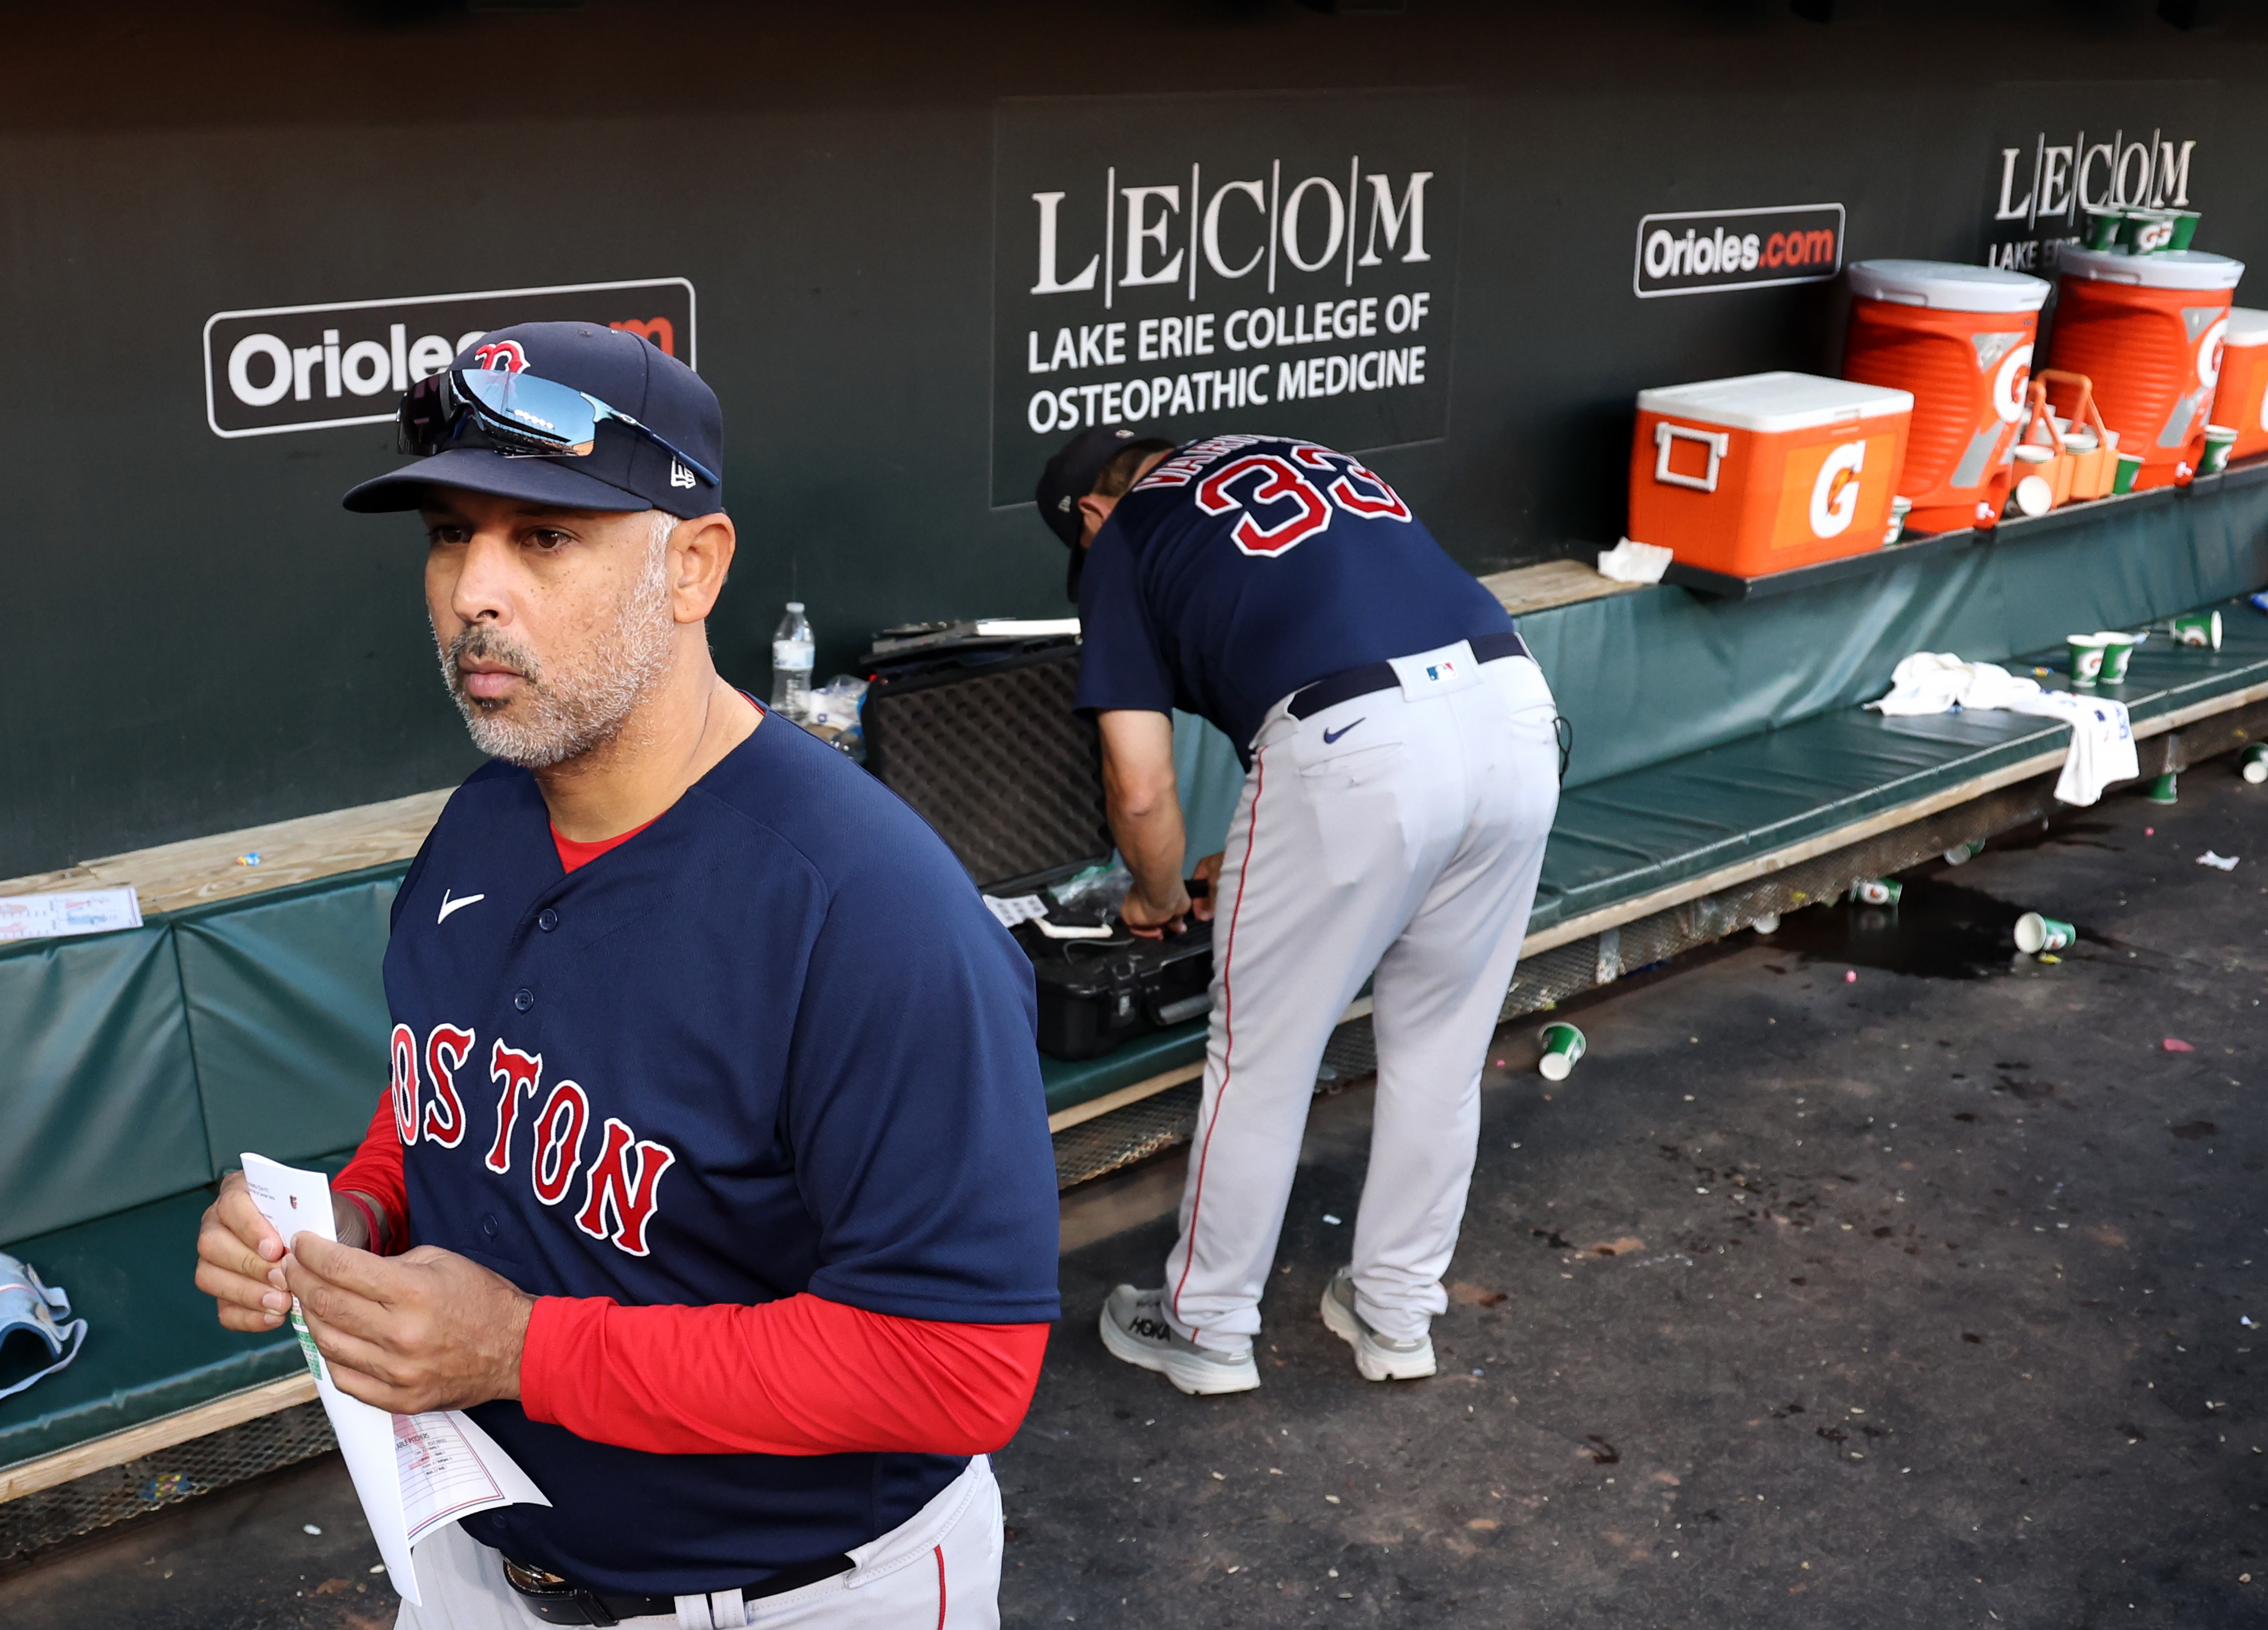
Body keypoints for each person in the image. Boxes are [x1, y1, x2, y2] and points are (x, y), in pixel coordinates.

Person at [194, 322, 1060, 1628]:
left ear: (693, 568)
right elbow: (451, 1080)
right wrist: (351, 1218)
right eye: (448, 534)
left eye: (544, 537)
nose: (476, 589)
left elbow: (958, 1365)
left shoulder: (868, 909)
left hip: (797, 1594)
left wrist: (517, 1350)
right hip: (475, 1557)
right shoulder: (484, 818)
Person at [1035, 425, 1559, 1396]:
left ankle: (1206, 1324)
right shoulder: (1292, 450)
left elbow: (1141, 790)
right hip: (1516, 712)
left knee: (1261, 1061)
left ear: (1091, 517)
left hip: (1352, 745)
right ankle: (1397, 1313)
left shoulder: (1125, 536)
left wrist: (1155, 899)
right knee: (1442, 1054)